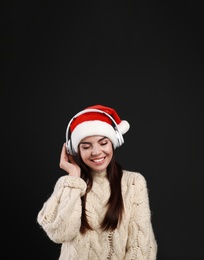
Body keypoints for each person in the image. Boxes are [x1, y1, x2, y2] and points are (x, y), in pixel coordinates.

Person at [37, 104, 157, 260]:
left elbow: (140, 248)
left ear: (113, 143)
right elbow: (60, 233)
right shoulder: (70, 184)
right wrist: (74, 178)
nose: (96, 152)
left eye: (103, 143)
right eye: (86, 146)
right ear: (75, 150)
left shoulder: (133, 183)